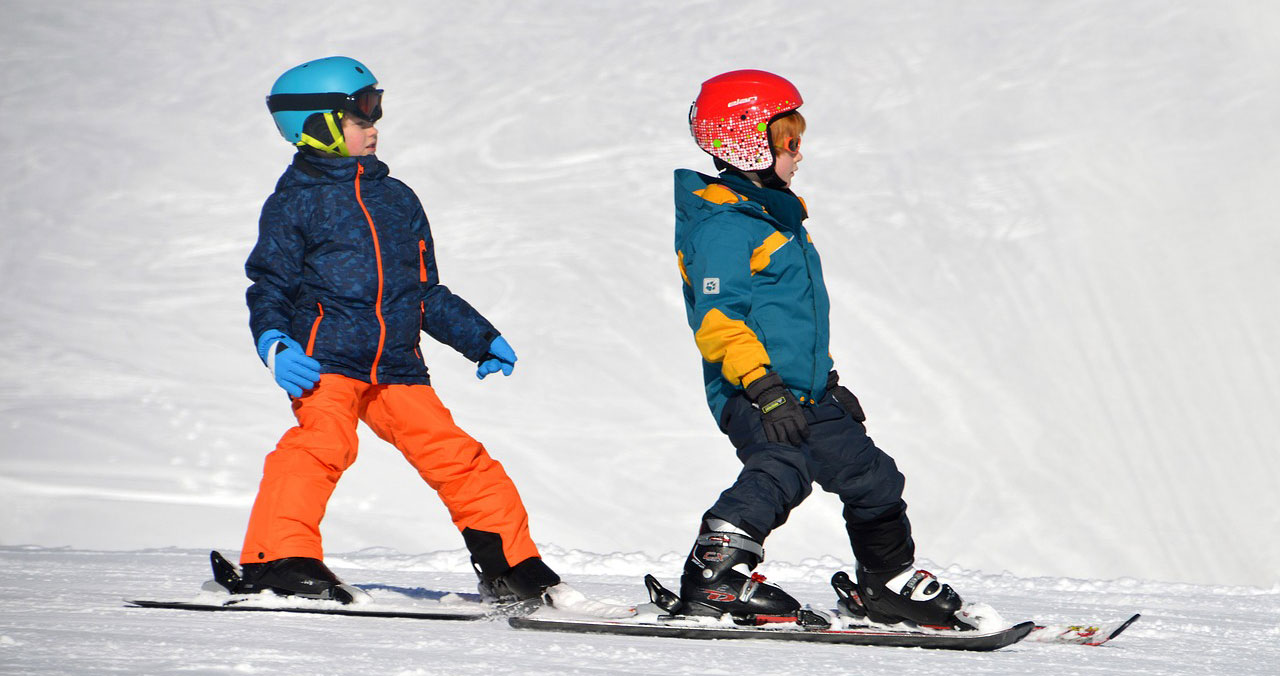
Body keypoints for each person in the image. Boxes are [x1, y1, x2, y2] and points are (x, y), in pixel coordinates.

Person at [236, 55, 558, 604]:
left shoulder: (397, 197)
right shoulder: (295, 204)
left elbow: (424, 290)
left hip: (397, 366)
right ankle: (277, 560)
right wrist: (274, 341)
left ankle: (511, 564)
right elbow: (270, 284)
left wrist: (479, 337)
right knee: (320, 447)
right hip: (326, 359)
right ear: (316, 125)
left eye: (375, 110)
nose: (374, 126)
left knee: (460, 457)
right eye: (360, 115)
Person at [672, 69, 972, 628]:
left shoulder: (774, 216)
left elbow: (794, 321)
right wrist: (762, 387)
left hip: (806, 392)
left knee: (874, 477)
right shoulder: (722, 226)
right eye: (788, 140)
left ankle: (886, 583)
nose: (798, 153)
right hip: (752, 389)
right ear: (744, 141)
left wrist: (827, 383)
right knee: (782, 468)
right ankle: (713, 578)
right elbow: (718, 321)